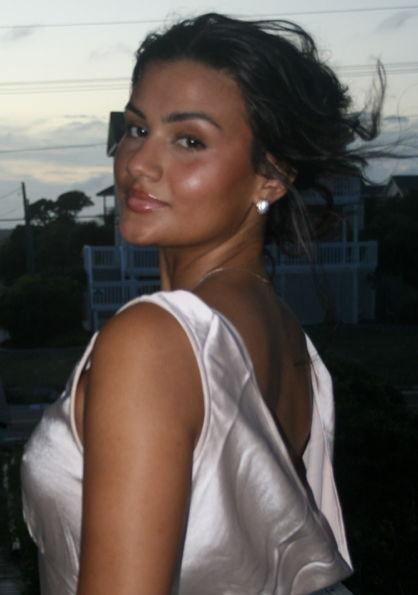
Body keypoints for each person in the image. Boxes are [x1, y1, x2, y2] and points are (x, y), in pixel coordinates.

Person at [22, 13, 383, 595]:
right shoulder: (286, 338)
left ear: (270, 177)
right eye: (136, 128)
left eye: (189, 140)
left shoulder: (154, 341)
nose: (138, 164)